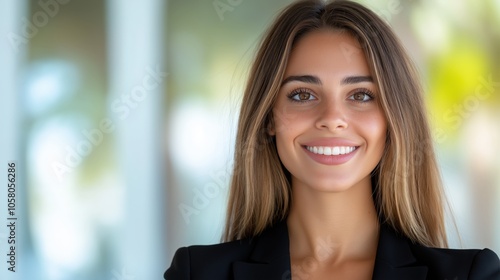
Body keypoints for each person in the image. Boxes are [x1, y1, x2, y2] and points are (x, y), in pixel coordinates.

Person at [164, 0, 500, 279]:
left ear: (393, 118)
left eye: (361, 95)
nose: (332, 119)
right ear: (268, 118)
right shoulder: (198, 273)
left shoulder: (473, 274)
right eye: (302, 95)